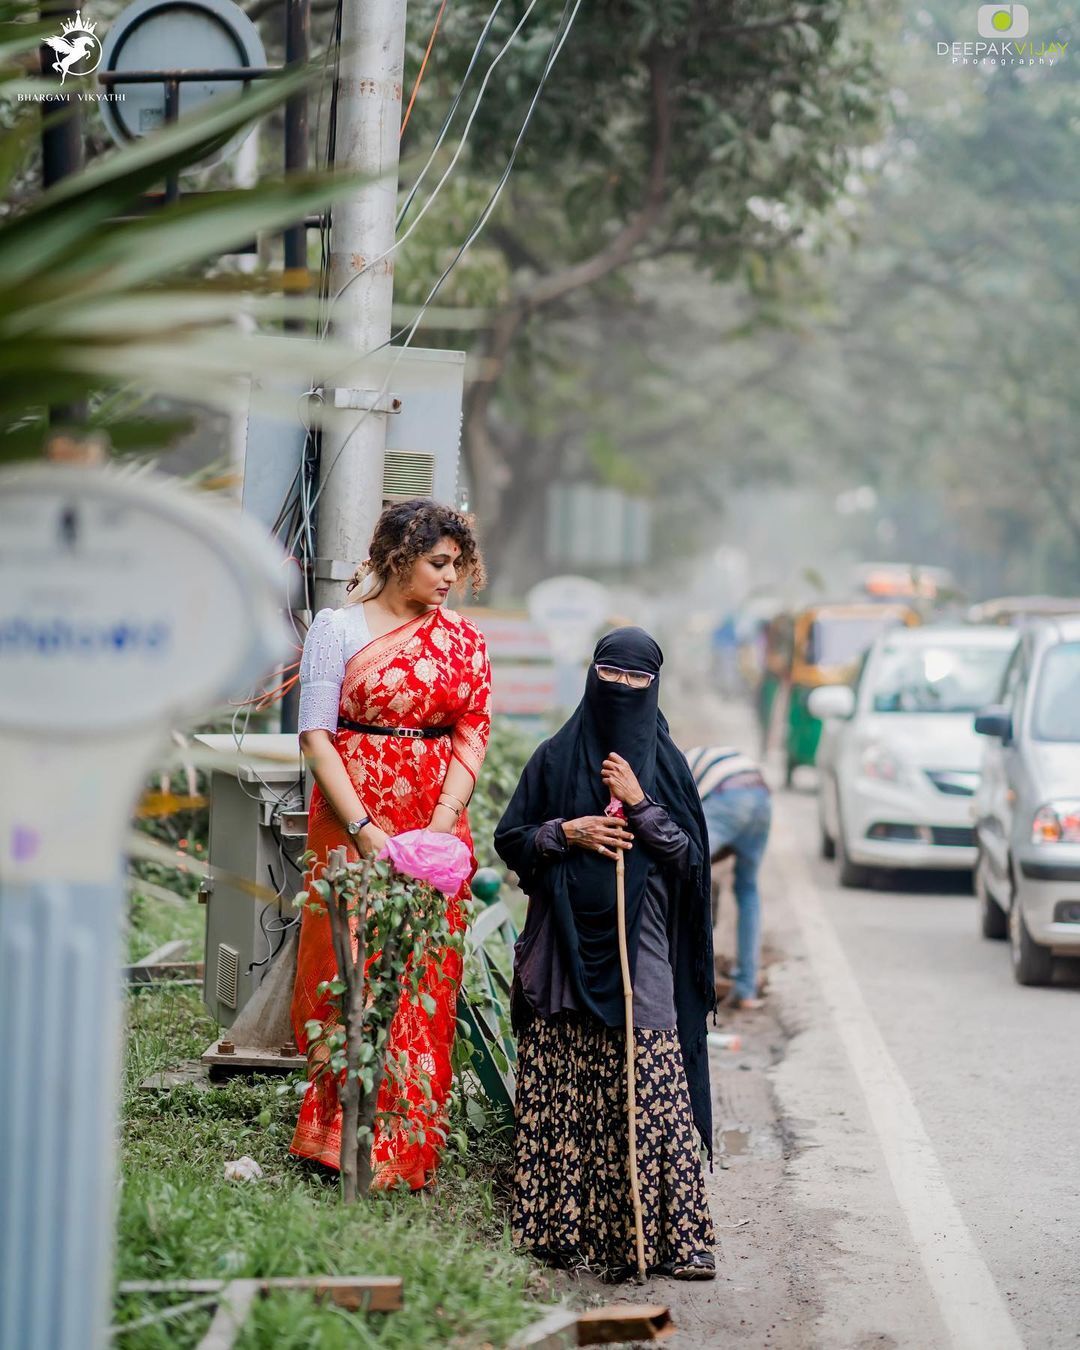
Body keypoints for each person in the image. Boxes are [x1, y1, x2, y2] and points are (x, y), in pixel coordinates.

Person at [495, 628, 716, 1282]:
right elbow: (511, 838)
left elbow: (690, 859)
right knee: (564, 1085)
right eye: (608, 679)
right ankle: (561, 1231)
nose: (620, 692)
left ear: (654, 687)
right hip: (562, 947)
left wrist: (642, 805)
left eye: (635, 683)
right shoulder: (555, 758)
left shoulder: (667, 766)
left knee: (651, 1083)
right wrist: (568, 830)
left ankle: (673, 1239)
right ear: (591, 678)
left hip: (640, 949)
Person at [289, 499, 492, 1189]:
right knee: (343, 968)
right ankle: (334, 1137)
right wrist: (367, 831)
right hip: (351, 819)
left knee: (422, 973)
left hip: (436, 823)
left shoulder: (463, 638)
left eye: (458, 566)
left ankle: (405, 1149)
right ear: (398, 557)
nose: (450, 578)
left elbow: (473, 731)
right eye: (439, 564)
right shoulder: (336, 628)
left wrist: (438, 828)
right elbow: (316, 734)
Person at [685, 745, 772, 1011]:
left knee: (687, 873)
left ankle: (690, 983)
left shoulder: (677, 766)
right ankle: (746, 989)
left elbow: (677, 844)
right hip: (761, 797)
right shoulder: (702, 759)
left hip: (728, 796)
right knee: (747, 890)